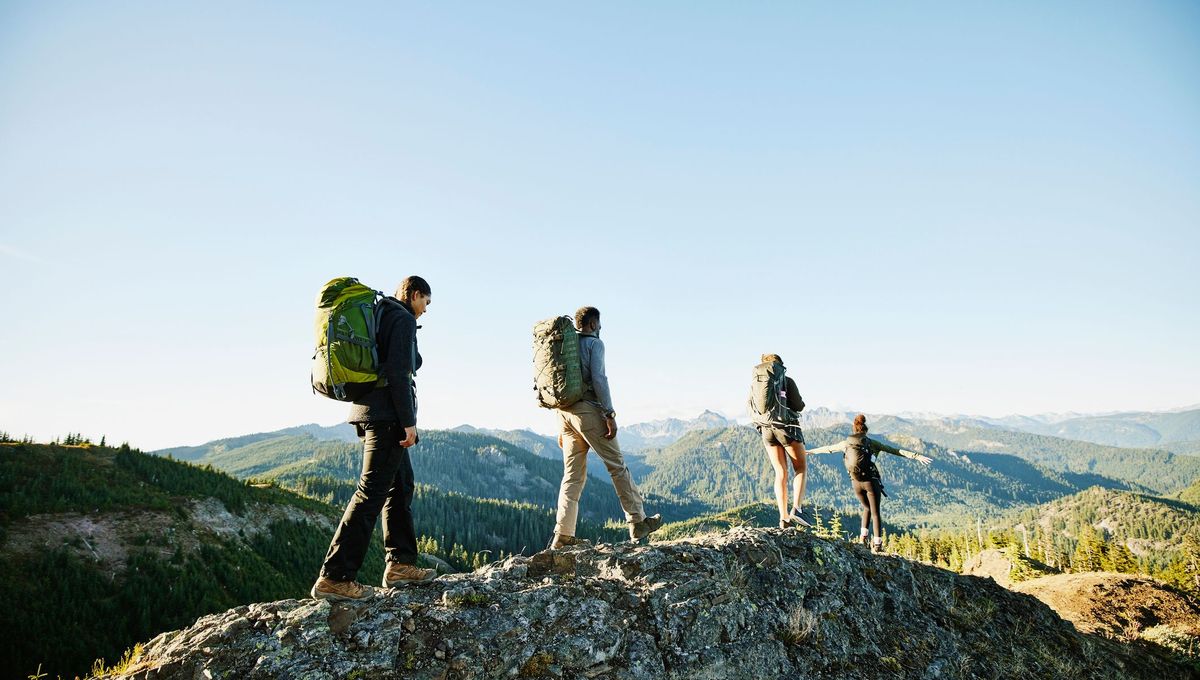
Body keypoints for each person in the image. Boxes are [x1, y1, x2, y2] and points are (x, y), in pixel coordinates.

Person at [311, 275, 437, 601]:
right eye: (425, 301)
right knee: (370, 495)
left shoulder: (382, 314)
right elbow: (399, 371)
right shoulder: (402, 318)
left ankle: (400, 565)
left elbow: (399, 362)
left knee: (401, 485)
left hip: (369, 412)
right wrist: (408, 422)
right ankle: (335, 576)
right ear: (413, 294)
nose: (425, 310)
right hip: (387, 418)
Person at [549, 306, 662, 549]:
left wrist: (561, 426)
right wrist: (609, 413)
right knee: (617, 466)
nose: (600, 329)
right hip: (589, 412)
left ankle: (563, 535)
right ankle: (637, 522)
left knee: (572, 477)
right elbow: (599, 378)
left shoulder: (564, 345)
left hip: (565, 414)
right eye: (599, 324)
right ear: (591, 324)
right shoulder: (594, 344)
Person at [807, 414, 932, 553]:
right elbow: (895, 451)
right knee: (875, 512)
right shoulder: (872, 443)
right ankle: (877, 545)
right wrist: (916, 456)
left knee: (866, 508)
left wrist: (810, 452)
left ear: (854, 430)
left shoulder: (846, 443)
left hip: (856, 483)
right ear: (865, 431)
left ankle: (862, 538)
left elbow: (828, 448)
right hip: (871, 482)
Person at [749, 354, 812, 529]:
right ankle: (797, 509)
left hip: (766, 430)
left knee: (780, 472)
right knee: (800, 468)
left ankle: (783, 518)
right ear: (780, 366)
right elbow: (799, 406)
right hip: (787, 427)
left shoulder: (756, 384)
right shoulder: (787, 381)